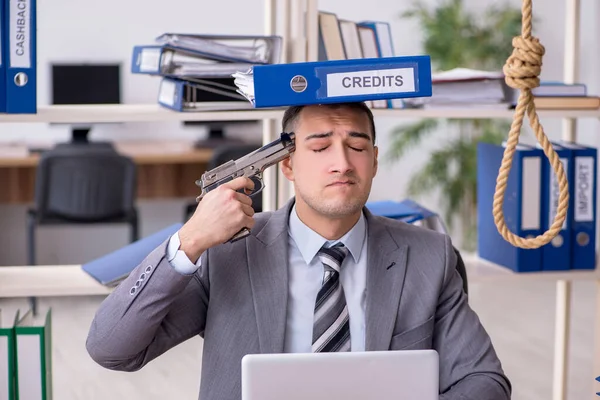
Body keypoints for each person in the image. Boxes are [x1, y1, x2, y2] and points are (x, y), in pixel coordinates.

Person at [86, 102, 511, 400]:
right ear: (287, 165)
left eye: (357, 147)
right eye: (321, 146)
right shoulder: (227, 254)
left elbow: (485, 380)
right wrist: (190, 240)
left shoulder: (429, 255)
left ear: (375, 161)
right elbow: (111, 349)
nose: (342, 163)